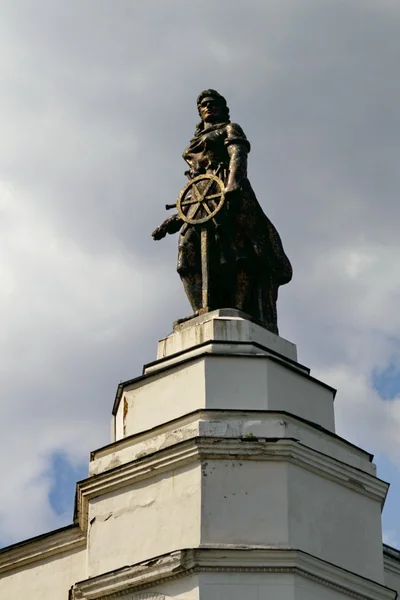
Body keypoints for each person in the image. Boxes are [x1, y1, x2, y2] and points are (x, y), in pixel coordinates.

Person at [152, 89, 292, 334]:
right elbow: (194, 180)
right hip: (200, 196)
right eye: (203, 105)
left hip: (228, 191)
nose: (208, 107)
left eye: (213, 103)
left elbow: (238, 154)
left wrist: (234, 184)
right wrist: (177, 217)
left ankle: (239, 307)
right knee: (186, 253)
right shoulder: (194, 142)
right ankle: (200, 310)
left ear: (222, 108)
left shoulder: (230, 129)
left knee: (236, 251)